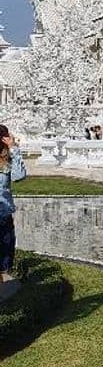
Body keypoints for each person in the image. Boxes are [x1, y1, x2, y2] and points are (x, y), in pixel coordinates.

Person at [0, 124, 27, 291]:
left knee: (4, 258)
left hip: (3, 214)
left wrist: (14, 149)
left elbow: (19, 177)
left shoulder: (7, 158)